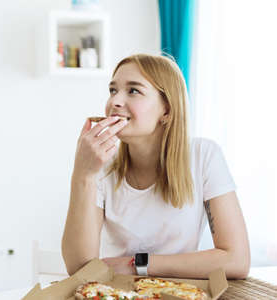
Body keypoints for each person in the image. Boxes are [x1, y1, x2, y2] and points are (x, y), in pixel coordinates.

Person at [61, 53, 250, 279]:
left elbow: (237, 260)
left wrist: (136, 264)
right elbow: (78, 268)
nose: (114, 102)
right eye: (113, 90)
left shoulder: (204, 156)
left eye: (133, 91)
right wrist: (83, 174)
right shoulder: (101, 164)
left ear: (167, 110)